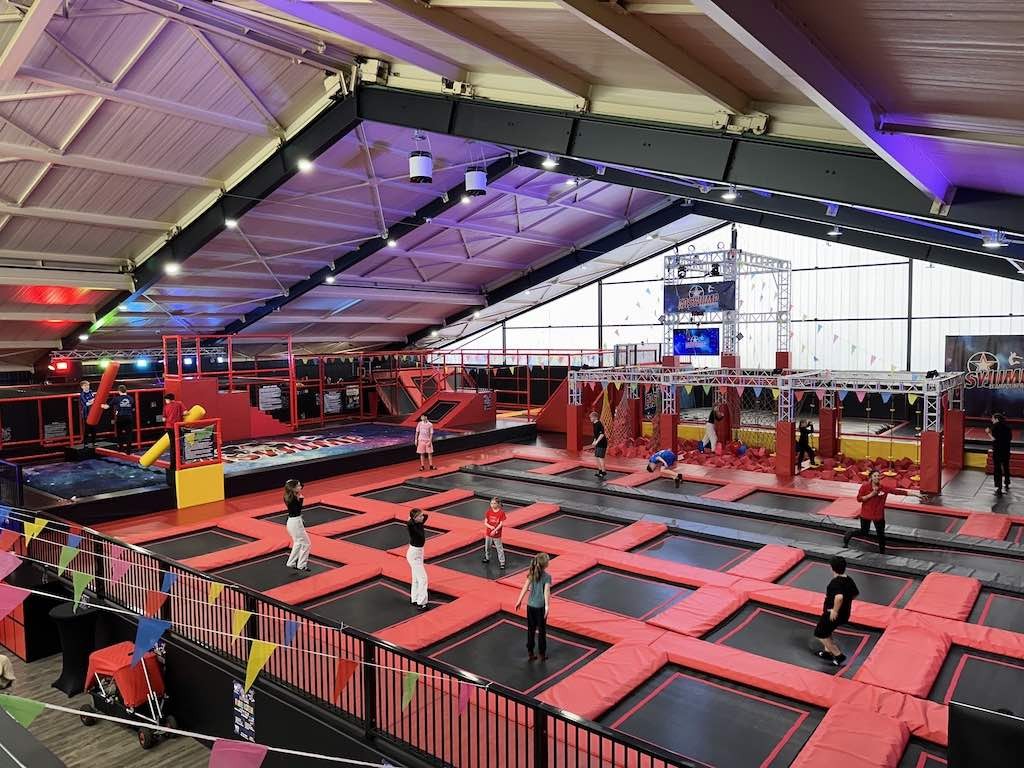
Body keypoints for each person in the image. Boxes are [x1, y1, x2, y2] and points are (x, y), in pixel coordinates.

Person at [842, 469, 915, 554]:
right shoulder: (865, 487)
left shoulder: (883, 488)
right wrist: (871, 494)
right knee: (864, 532)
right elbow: (859, 499)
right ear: (871, 477)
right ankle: (849, 534)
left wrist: (916, 495)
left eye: (878, 476)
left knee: (881, 534)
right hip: (866, 513)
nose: (877, 477)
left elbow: (897, 492)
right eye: (875, 476)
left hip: (878, 515)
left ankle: (882, 552)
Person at [813, 555, 859, 666]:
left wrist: (834, 610)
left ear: (832, 568)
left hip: (832, 614)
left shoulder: (835, 583)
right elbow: (855, 594)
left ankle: (839, 656)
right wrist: (846, 603)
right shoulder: (848, 579)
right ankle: (827, 652)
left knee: (820, 634)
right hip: (845, 613)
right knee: (827, 630)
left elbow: (839, 597)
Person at [515, 553, 551, 661]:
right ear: (545, 565)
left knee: (531, 629)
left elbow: (525, 587)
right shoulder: (547, 577)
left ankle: (530, 652)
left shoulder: (532, 573)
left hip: (530, 606)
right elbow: (546, 592)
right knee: (541, 631)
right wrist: (547, 606)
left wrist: (519, 601)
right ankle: (542, 653)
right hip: (540, 607)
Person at [283, 479, 310, 571]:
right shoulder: (294, 499)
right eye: (298, 486)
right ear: (293, 488)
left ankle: (291, 562)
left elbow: (300, 485)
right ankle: (302, 564)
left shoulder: (288, 496)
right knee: (306, 543)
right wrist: (301, 499)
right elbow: (297, 511)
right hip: (296, 522)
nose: (300, 487)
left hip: (292, 522)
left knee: (298, 543)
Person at [407, 508, 429, 610]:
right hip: (414, 553)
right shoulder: (412, 526)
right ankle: (422, 603)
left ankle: (415, 598)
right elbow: (409, 523)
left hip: (419, 552)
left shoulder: (420, 522)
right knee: (423, 578)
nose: (423, 517)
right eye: (420, 516)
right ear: (415, 518)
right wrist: (411, 518)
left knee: (416, 577)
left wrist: (419, 516)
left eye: (422, 515)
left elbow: (427, 516)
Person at [987, 412, 1013, 493]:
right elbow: (1010, 438)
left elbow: (994, 439)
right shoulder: (1008, 427)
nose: (991, 420)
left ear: (997, 419)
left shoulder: (995, 427)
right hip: (1006, 450)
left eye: (993, 419)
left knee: (997, 469)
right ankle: (1007, 482)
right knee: (1006, 467)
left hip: (998, 451)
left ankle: (999, 486)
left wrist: (988, 433)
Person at [162, 393, 186, 471]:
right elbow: (185, 413)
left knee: (172, 446)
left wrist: (169, 419)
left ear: (168, 399)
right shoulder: (179, 403)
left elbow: (163, 419)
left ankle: (172, 465)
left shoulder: (165, 407)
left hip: (169, 428)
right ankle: (180, 462)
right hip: (178, 427)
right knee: (180, 444)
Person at [481, 496, 506, 569]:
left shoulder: (501, 512)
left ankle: (502, 562)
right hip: (489, 533)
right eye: (491, 503)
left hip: (497, 534)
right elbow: (485, 522)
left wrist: (495, 530)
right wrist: (490, 527)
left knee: (499, 548)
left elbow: (501, 524)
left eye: (494, 503)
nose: (492, 505)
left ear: (498, 504)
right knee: (487, 547)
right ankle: (487, 558)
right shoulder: (489, 511)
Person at [79, 380, 104, 445]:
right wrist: (93, 401)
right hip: (86, 414)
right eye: (85, 385)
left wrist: (92, 401)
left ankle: (94, 442)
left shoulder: (91, 392)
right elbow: (86, 403)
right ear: (82, 387)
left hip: (93, 412)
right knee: (87, 429)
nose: (87, 386)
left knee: (94, 428)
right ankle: (85, 443)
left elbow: (94, 400)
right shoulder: (82, 395)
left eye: (88, 385)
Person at [111, 385, 135, 453]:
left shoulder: (117, 398)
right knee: (129, 434)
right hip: (129, 417)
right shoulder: (131, 398)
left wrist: (101, 405)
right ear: (126, 390)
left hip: (120, 417)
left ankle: (120, 448)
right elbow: (133, 408)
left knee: (119, 433)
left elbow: (108, 406)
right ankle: (128, 450)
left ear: (119, 391)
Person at [589, 411, 608, 478]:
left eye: (591, 417)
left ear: (595, 417)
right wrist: (594, 440)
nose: (590, 419)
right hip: (598, 442)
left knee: (600, 457)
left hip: (602, 443)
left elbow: (602, 434)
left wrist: (597, 441)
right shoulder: (594, 424)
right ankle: (600, 471)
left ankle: (603, 471)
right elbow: (596, 434)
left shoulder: (599, 424)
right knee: (597, 457)